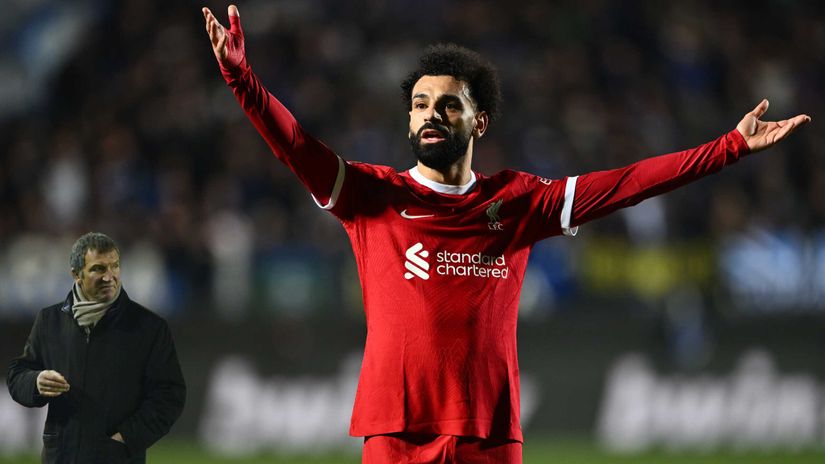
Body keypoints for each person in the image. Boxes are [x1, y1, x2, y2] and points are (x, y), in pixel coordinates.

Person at [202, 5, 810, 463]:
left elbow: (626, 182)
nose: (429, 115)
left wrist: (729, 147)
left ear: (479, 120)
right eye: (418, 104)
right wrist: (240, 78)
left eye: (446, 104)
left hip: (486, 433)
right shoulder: (372, 195)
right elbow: (295, 147)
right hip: (397, 430)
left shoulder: (517, 202)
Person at [7, 232, 186, 464]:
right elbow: (17, 374)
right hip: (60, 457)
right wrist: (36, 382)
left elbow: (170, 395)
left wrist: (127, 437)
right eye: (98, 269)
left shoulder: (149, 327)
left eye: (115, 266)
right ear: (76, 274)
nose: (109, 276)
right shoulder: (49, 321)